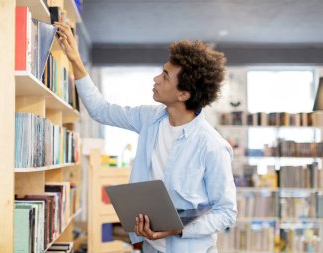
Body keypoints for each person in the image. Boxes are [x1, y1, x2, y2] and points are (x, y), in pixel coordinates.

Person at [55, 22, 237, 253]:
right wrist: (75, 60)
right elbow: (100, 110)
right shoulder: (148, 119)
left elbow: (227, 212)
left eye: (165, 76)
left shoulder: (212, 146)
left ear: (184, 94)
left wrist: (177, 229)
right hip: (149, 247)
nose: (156, 79)